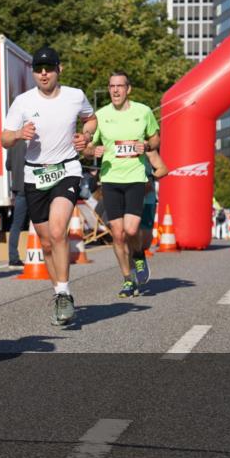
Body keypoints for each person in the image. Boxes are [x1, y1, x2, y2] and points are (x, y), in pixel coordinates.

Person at [1, 46, 96, 325]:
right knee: (45, 242)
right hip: (35, 175)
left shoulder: (75, 96)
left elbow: (90, 119)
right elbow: (4, 139)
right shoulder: (23, 101)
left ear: (59, 69)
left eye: (49, 69)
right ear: (33, 73)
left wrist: (86, 136)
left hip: (67, 169)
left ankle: (64, 293)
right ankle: (58, 294)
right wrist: (19, 134)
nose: (44, 74)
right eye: (38, 70)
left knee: (57, 231)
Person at [85, 72, 159, 298]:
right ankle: (128, 279)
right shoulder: (101, 115)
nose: (115, 90)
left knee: (131, 230)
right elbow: (86, 147)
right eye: (111, 86)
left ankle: (138, 255)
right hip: (110, 180)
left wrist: (147, 146)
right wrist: (92, 150)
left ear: (128, 89)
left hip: (135, 178)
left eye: (119, 86)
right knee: (117, 234)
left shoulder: (143, 112)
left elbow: (155, 138)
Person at [139, 150, 169, 255]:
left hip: (147, 197)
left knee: (146, 236)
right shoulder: (116, 146)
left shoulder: (147, 149)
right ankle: (133, 257)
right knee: (128, 231)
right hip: (127, 195)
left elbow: (164, 169)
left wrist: (151, 178)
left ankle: (140, 253)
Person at [6, 137, 28, 267]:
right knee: (41, 221)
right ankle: (46, 254)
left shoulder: (12, 143)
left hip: (18, 187)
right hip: (33, 186)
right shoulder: (34, 142)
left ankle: (13, 257)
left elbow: (8, 165)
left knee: (16, 224)